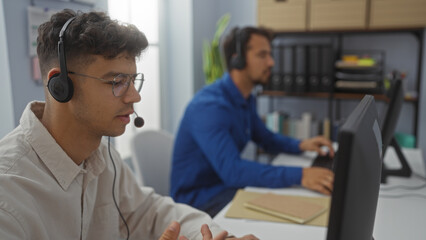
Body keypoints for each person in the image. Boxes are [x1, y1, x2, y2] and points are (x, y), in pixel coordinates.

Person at [0, 9, 258, 240]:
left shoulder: (102, 156)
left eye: (133, 80)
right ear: (61, 86)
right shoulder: (9, 197)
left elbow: (150, 211)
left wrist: (215, 236)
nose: (135, 96)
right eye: (117, 81)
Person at [171, 27, 335, 217]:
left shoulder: (245, 98)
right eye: (262, 55)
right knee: (289, 211)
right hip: (199, 201)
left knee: (301, 204)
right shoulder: (209, 107)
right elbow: (234, 171)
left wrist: (301, 145)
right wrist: (302, 175)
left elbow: (265, 138)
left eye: (270, 55)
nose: (271, 62)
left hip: (226, 188)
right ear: (237, 59)